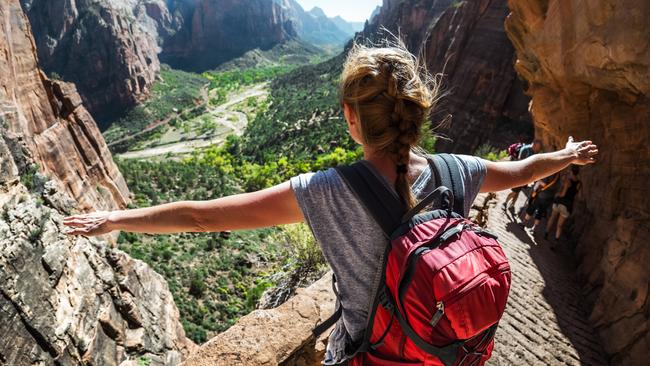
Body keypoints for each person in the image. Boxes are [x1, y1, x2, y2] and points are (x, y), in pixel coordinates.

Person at [62, 41, 598, 365]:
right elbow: (524, 171)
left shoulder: (328, 191)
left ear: (350, 117)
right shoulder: (459, 169)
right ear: (418, 110)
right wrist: (567, 154)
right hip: (447, 350)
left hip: (374, 357)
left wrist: (116, 218)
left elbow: (203, 216)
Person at [502, 140, 543, 211]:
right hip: (520, 174)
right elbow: (520, 161)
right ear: (535, 144)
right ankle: (505, 203)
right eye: (539, 147)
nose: (539, 149)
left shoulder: (534, 152)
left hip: (526, 176)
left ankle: (512, 205)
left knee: (518, 190)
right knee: (515, 190)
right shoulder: (525, 149)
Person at [545, 166, 581, 242]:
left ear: (571, 172)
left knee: (552, 217)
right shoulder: (579, 183)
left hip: (560, 202)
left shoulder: (568, 181)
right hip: (568, 206)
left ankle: (546, 233)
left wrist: (557, 194)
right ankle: (556, 240)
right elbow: (577, 195)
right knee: (560, 225)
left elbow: (563, 194)